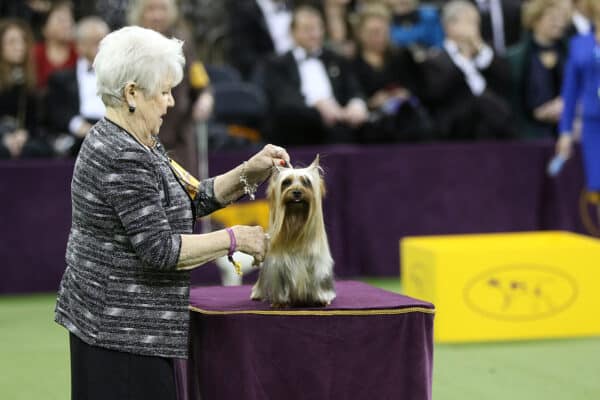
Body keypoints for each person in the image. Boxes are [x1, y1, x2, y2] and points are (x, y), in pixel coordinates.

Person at [54, 26, 290, 400]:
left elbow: (190, 197)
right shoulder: (123, 153)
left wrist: (251, 170)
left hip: (123, 330)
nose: (170, 103)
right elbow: (161, 250)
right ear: (132, 92)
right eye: (163, 92)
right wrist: (236, 238)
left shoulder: (140, 139)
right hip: (121, 338)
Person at [261, 5, 368, 145]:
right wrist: (317, 105)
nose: (314, 34)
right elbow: (283, 100)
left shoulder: (336, 59)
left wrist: (357, 104)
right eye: (307, 29)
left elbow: (354, 89)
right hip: (299, 128)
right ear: (293, 32)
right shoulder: (277, 64)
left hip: (341, 126)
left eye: (318, 28)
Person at [128, 0, 214, 173]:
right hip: (141, 131)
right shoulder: (129, 43)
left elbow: (200, 82)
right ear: (139, 13)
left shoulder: (183, 42)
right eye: (151, 9)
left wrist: (205, 98)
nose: (157, 15)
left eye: (162, 9)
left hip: (179, 133)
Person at [420, 0, 513, 141]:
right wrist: (463, 59)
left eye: (476, 23)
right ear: (449, 26)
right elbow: (436, 94)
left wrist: (481, 51)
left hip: (492, 131)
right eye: (469, 22)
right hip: (454, 131)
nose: (474, 28)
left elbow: (505, 81)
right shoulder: (434, 59)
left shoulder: (488, 54)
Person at [352, 3, 432, 143]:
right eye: (373, 32)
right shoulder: (352, 63)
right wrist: (370, 102)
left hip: (406, 121)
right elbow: (351, 93)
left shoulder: (402, 56)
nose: (379, 37)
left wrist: (405, 93)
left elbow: (420, 88)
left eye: (383, 31)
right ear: (360, 33)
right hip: (371, 127)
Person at [556, 0, 600, 218]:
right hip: (593, 125)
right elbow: (570, 92)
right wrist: (565, 132)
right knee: (598, 185)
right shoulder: (579, 43)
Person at [506, 0, 572, 139]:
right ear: (535, 20)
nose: (559, 23)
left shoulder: (570, 52)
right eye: (553, 18)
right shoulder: (516, 57)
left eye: (562, 18)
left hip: (567, 130)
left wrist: (565, 104)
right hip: (527, 133)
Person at [45, 17, 109, 156]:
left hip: (112, 130)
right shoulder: (60, 78)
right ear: (79, 46)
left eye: (104, 41)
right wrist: (78, 126)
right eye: (94, 42)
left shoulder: (122, 77)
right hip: (79, 134)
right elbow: (56, 111)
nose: (100, 46)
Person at [0, 18, 52, 159]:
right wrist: (5, 137)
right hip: (3, 137)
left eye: (23, 41)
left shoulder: (27, 81)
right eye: (12, 42)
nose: (20, 46)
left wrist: (24, 134)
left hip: (20, 138)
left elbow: (34, 121)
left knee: (38, 149)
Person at [33, 0, 77, 90]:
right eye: (61, 20)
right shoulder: (35, 53)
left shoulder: (80, 50)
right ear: (44, 29)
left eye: (69, 20)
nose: (67, 25)